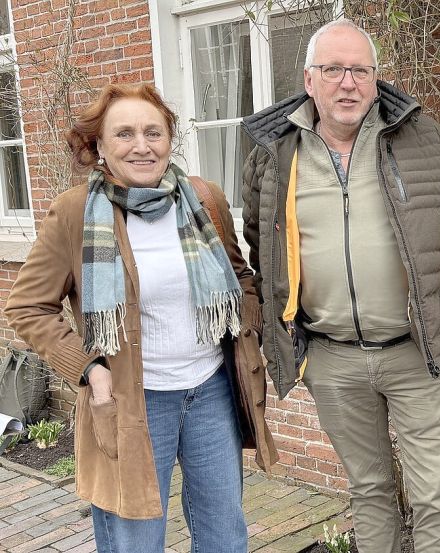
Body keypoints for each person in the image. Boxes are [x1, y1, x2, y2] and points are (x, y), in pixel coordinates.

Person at [240, 18, 440, 553]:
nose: (346, 83)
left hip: (417, 352)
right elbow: (262, 244)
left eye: (359, 70)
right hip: (332, 359)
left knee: (434, 496)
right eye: (333, 70)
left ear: (376, 80)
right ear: (309, 80)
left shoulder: (422, 138)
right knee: (369, 490)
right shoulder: (274, 152)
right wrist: (279, 332)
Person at [4, 84, 277, 552]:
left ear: (170, 139)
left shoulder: (203, 201)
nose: (141, 145)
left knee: (225, 536)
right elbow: (27, 306)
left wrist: (244, 329)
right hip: (133, 399)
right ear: (100, 148)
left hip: (210, 391)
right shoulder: (75, 214)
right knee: (136, 541)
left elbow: (239, 277)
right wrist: (88, 369)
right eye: (124, 133)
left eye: (154, 132)